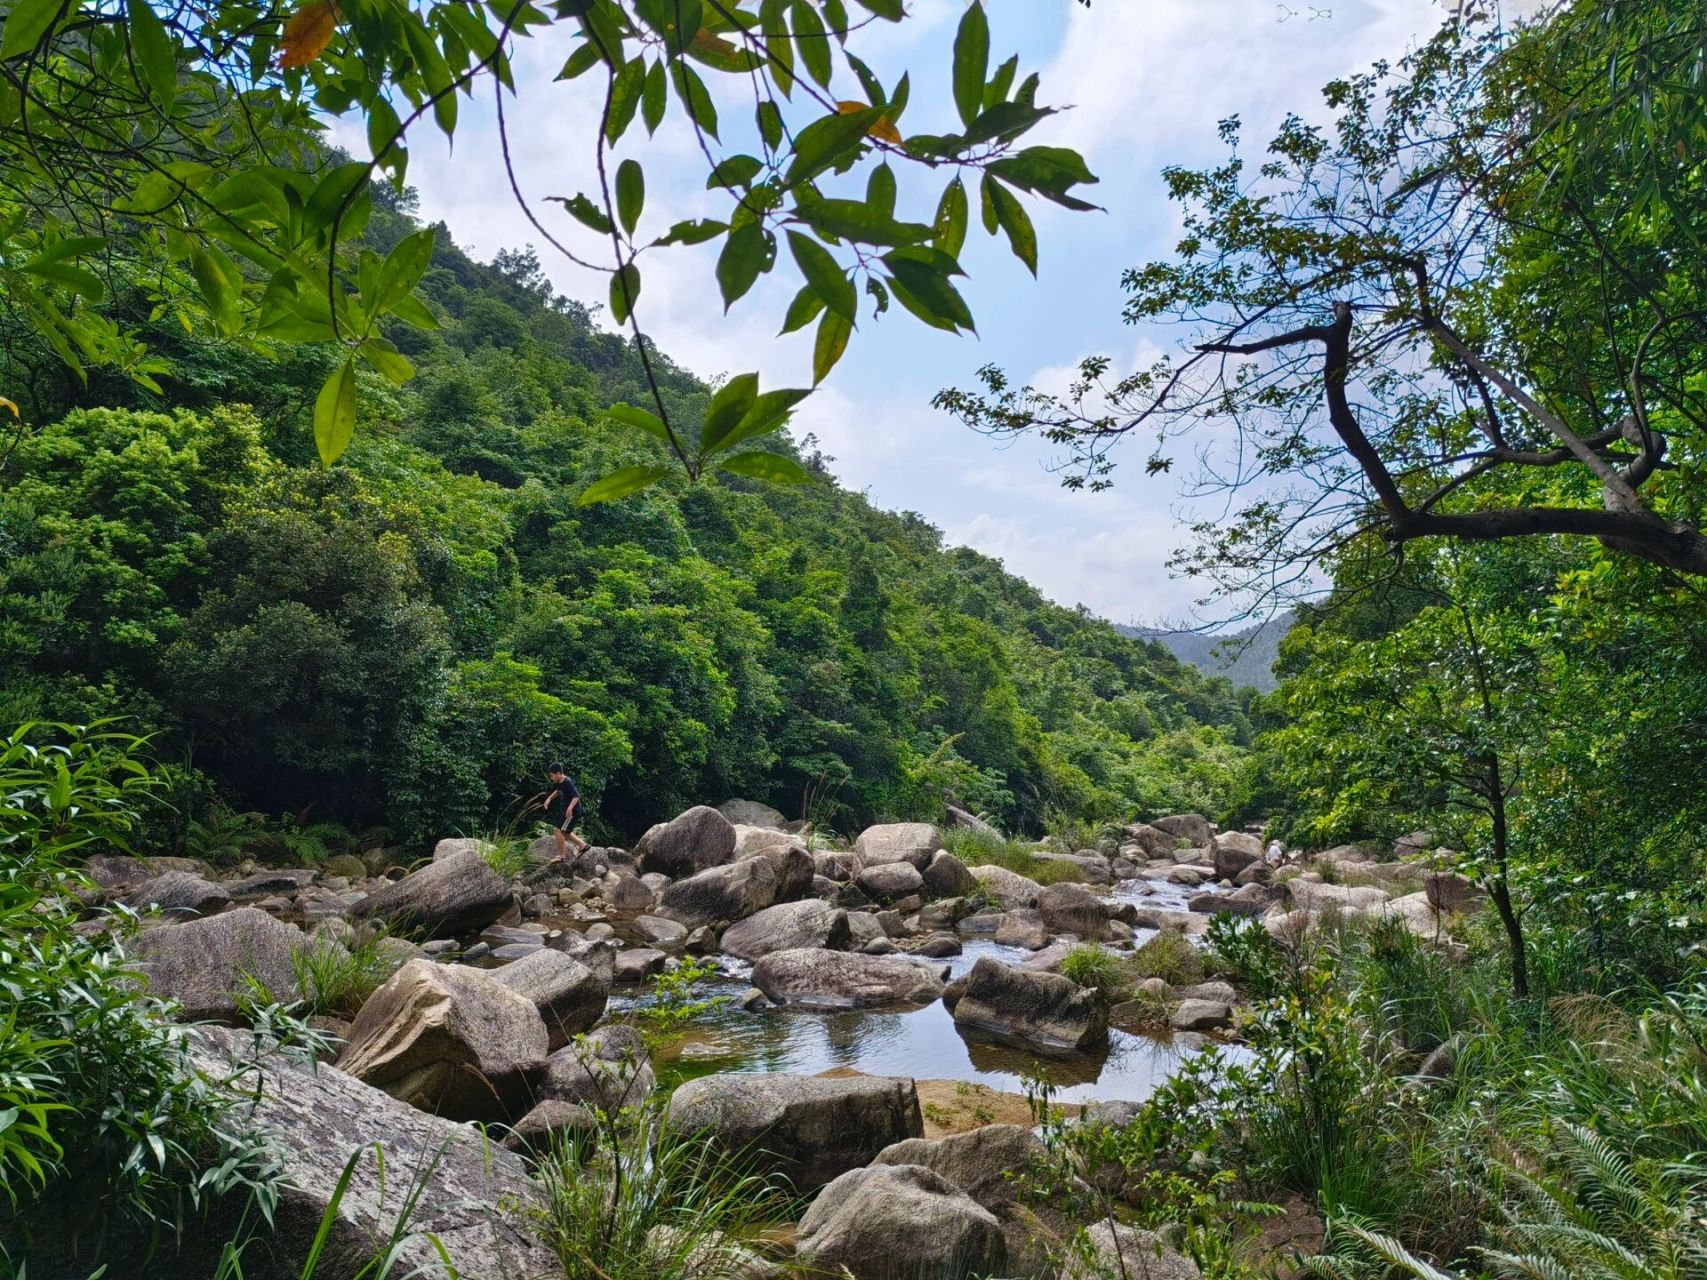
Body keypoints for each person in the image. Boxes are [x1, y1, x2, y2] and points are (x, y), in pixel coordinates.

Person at [545, 763, 589, 860]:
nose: (551, 778)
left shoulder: (567, 782)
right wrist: (549, 799)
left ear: (558, 773)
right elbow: (557, 791)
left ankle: (562, 855)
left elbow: (576, 796)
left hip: (572, 812)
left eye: (551, 776)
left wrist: (569, 809)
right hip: (567, 811)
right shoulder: (559, 782)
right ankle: (583, 846)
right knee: (563, 831)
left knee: (559, 830)